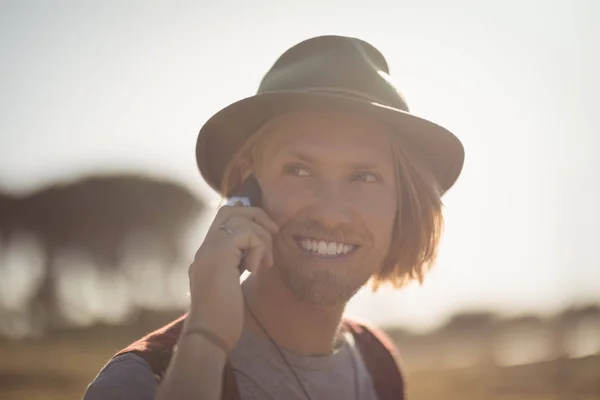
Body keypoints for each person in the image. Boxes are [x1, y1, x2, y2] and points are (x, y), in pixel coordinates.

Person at [83, 35, 464, 400]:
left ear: (403, 204)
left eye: (365, 177)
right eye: (298, 170)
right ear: (245, 188)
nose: (330, 215)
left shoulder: (377, 363)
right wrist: (206, 338)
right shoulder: (141, 381)